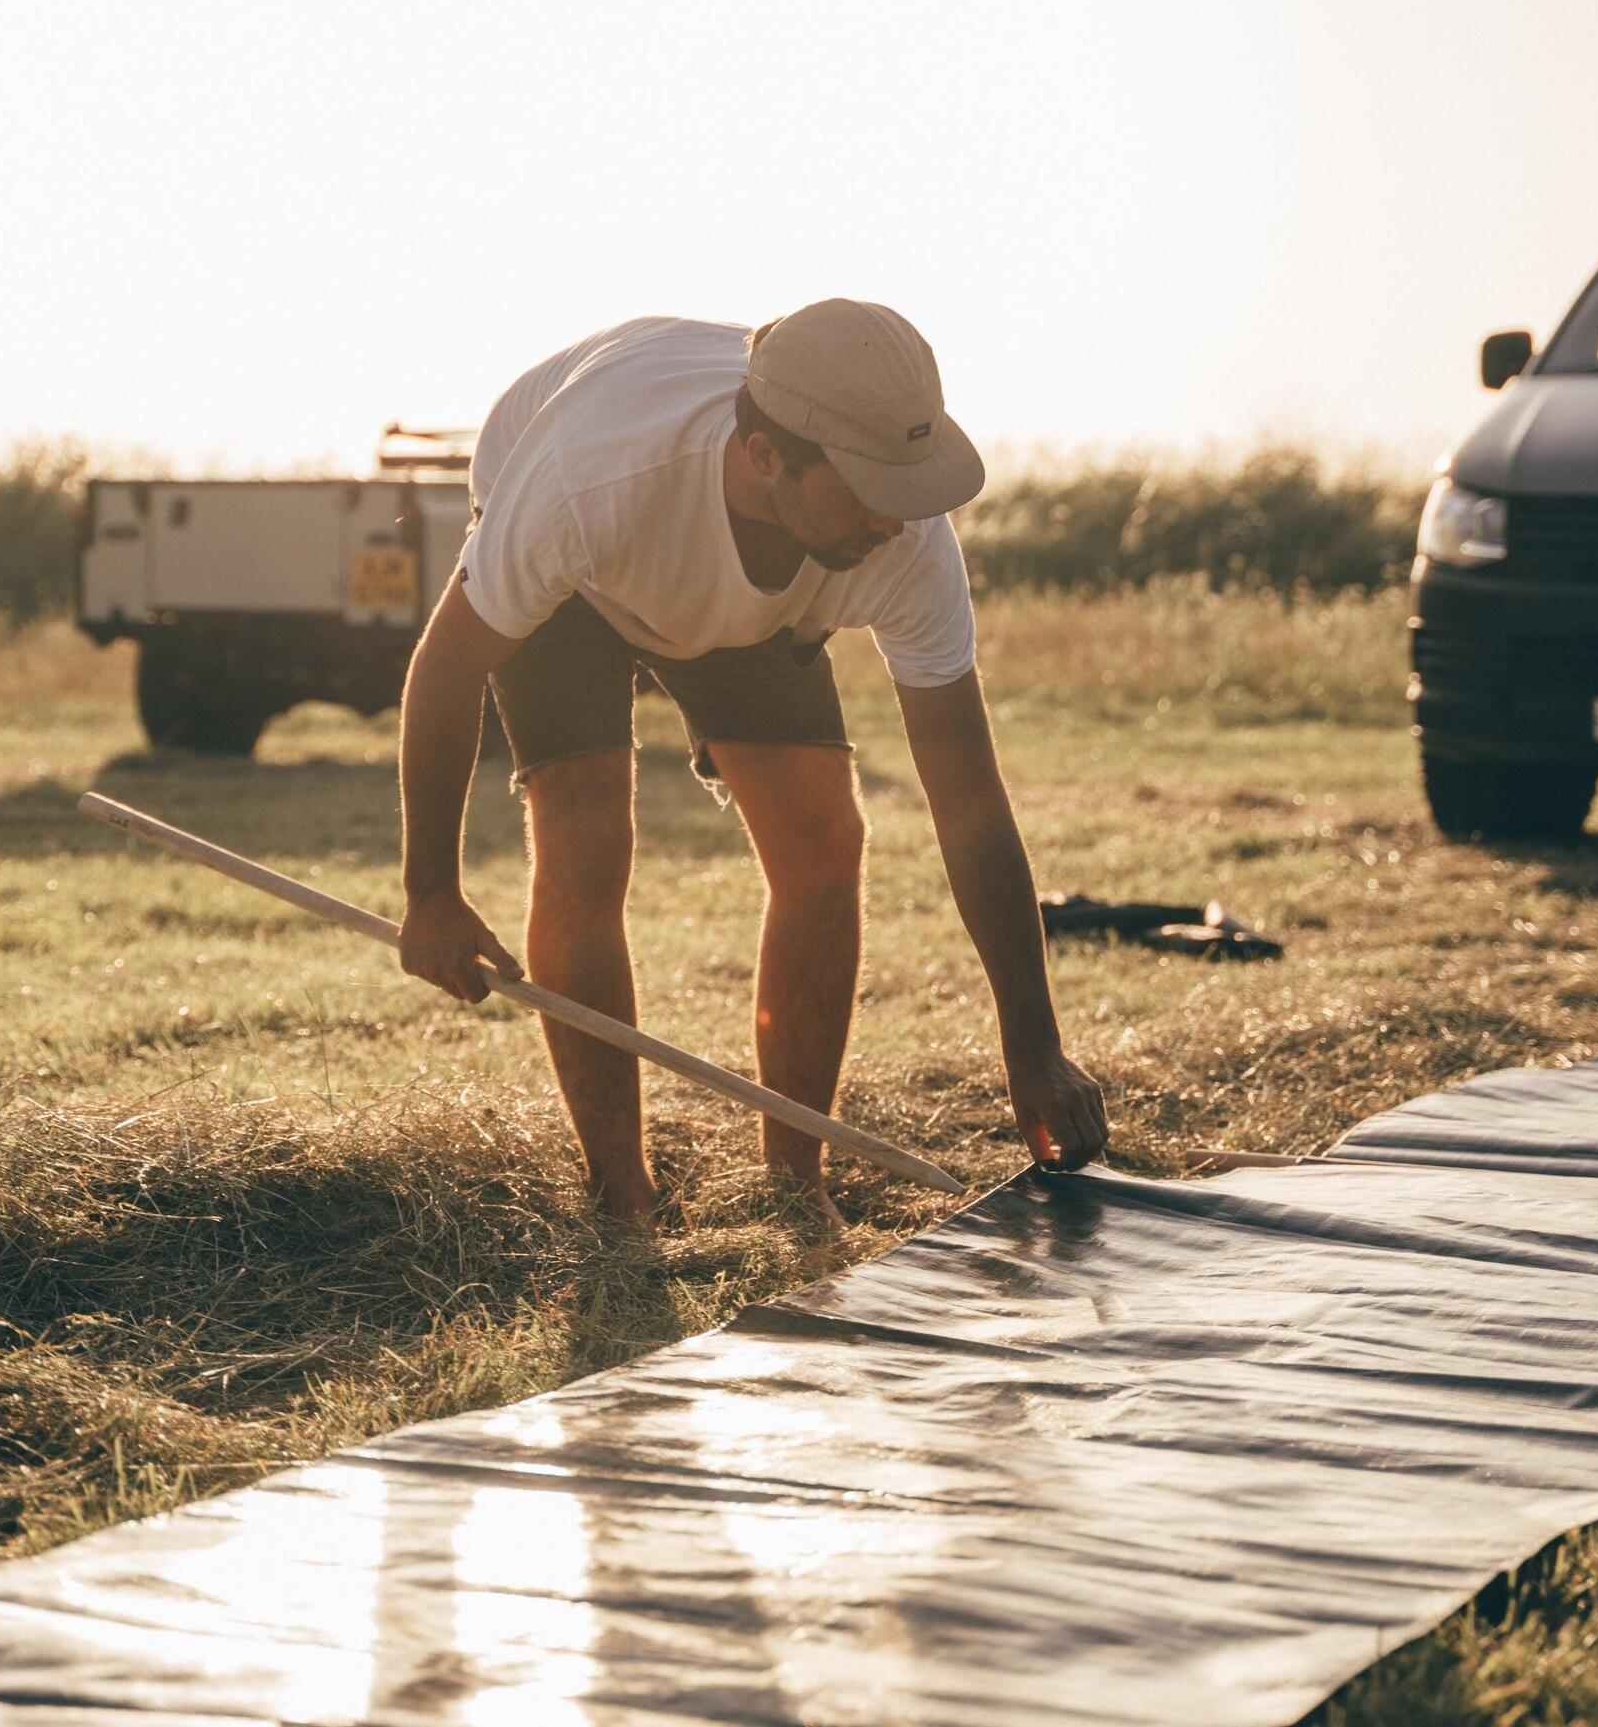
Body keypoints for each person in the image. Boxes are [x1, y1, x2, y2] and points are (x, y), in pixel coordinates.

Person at [393, 301, 1109, 1223]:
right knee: (585, 834)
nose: (898, 522)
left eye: (909, 487)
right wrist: (431, 895)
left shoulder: (894, 525)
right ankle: (622, 1196)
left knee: (824, 834)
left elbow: (968, 799)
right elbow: (444, 672)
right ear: (768, 455)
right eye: (869, 488)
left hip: (763, 583)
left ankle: (792, 1185)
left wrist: (1034, 1048)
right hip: (587, 563)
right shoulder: (585, 480)